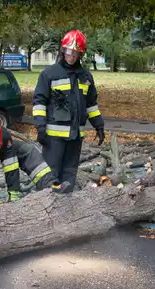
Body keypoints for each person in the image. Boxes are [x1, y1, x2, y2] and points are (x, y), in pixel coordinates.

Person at [32, 29, 105, 191]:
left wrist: (99, 125)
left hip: (75, 137)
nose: (71, 57)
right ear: (63, 51)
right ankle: (45, 208)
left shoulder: (85, 76)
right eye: (68, 52)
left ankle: (66, 207)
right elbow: (39, 103)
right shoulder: (49, 74)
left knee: (70, 174)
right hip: (54, 138)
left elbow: (91, 104)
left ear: (81, 55)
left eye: (75, 54)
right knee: (51, 174)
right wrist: (41, 128)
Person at [0, 111, 69, 209]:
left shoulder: (3, 134)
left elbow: (11, 165)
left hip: (0, 144)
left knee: (28, 151)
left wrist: (14, 196)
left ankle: (51, 186)